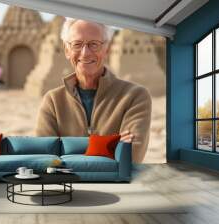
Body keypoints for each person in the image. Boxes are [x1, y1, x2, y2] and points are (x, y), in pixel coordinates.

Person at [35, 19, 152, 163]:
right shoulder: (53, 101)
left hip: (117, 186)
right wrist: (110, 147)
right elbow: (45, 160)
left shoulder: (134, 97)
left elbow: (130, 159)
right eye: (77, 44)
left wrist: (66, 151)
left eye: (94, 44)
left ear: (107, 49)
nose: (85, 53)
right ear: (67, 50)